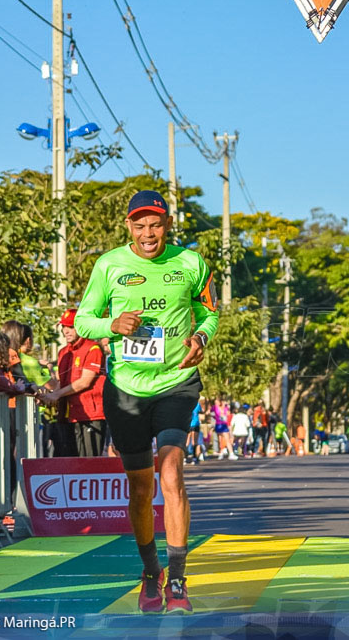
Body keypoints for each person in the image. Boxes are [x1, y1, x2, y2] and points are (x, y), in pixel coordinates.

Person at [74, 189, 218, 613]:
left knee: (170, 472)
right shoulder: (110, 264)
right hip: (126, 389)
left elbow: (208, 311)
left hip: (176, 382)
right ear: (129, 228)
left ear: (167, 225)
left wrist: (201, 336)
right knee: (140, 487)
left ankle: (178, 579)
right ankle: (150, 571)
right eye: (140, 225)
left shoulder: (190, 263)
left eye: (155, 224)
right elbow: (83, 319)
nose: (148, 233)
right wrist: (111, 323)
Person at [39, 309, 107, 458]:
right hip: (67, 415)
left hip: (90, 416)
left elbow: (85, 382)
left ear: (81, 327)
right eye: (64, 327)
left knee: (90, 462)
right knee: (69, 461)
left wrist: (56, 394)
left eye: (71, 327)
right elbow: (61, 383)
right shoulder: (63, 352)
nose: (66, 331)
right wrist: (48, 397)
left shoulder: (93, 348)